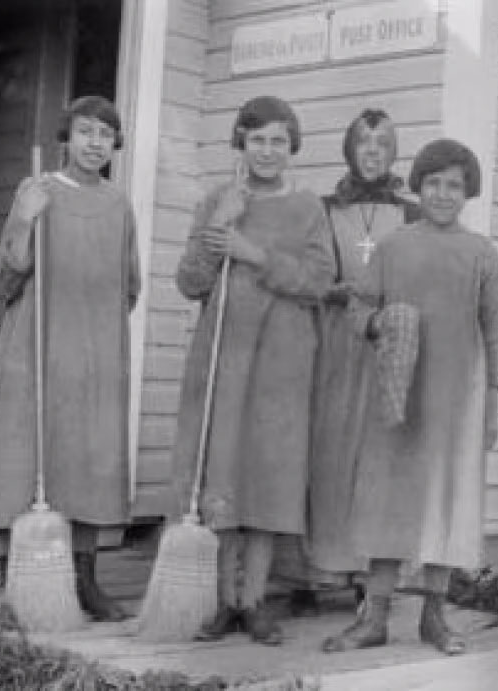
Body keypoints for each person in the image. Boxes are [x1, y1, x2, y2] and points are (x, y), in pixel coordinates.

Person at [321, 138, 498, 656]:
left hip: (457, 401)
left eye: (454, 185)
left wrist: (492, 405)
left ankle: (434, 616)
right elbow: (358, 309)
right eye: (433, 183)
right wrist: (380, 321)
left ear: (468, 191)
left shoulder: (482, 255)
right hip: (397, 397)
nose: (443, 194)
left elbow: (496, 333)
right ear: (418, 187)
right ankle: (374, 616)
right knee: (388, 498)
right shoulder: (394, 247)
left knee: (445, 503)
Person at [172, 95, 336, 645]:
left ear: (292, 149)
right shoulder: (218, 200)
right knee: (222, 470)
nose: (267, 151)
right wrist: (220, 228)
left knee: (268, 474)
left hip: (283, 361)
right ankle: (223, 602)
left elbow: (319, 282)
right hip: (225, 356)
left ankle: (256, 600)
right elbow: (190, 282)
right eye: (257, 139)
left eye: (278, 141)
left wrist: (253, 253)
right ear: (240, 143)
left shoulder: (309, 207)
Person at [0, 95, 140, 622]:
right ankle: (12, 587)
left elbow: (129, 286)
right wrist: (24, 222)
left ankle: (84, 580)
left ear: (115, 143)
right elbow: (3, 279)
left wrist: (96, 327)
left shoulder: (119, 205)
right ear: (65, 138)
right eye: (85, 131)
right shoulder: (37, 190)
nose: (95, 143)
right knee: (20, 456)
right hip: (35, 346)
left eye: (104, 133)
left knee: (89, 457)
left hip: (92, 352)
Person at [282, 108, 421, 615]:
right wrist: (329, 289)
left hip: (382, 343)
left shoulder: (410, 213)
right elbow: (309, 269)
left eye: (383, 145)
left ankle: (369, 572)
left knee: (375, 453)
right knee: (327, 450)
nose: (372, 153)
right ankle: (317, 568)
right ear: (349, 149)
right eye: (363, 144)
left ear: (393, 152)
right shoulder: (324, 208)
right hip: (331, 341)